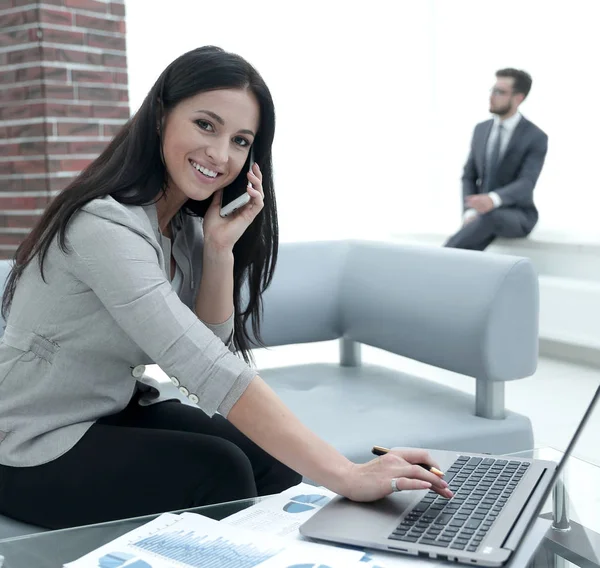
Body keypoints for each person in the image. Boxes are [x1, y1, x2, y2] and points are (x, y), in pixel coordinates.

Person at [0, 46, 452, 530]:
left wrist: (218, 251)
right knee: (221, 471)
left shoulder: (184, 228)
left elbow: (208, 348)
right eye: (206, 125)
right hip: (27, 439)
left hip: (111, 408)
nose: (220, 155)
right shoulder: (102, 225)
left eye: (240, 140)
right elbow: (204, 367)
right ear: (160, 116)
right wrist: (345, 473)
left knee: (270, 462)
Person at [445, 68, 548, 251]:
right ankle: (448, 265)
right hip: (481, 217)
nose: (492, 96)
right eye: (492, 90)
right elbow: (469, 176)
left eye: (500, 92)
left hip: (518, 215)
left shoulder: (535, 136)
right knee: (477, 231)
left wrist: (493, 200)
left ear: (518, 98)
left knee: (488, 218)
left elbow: (526, 182)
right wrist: (469, 211)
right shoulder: (481, 130)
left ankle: (441, 256)